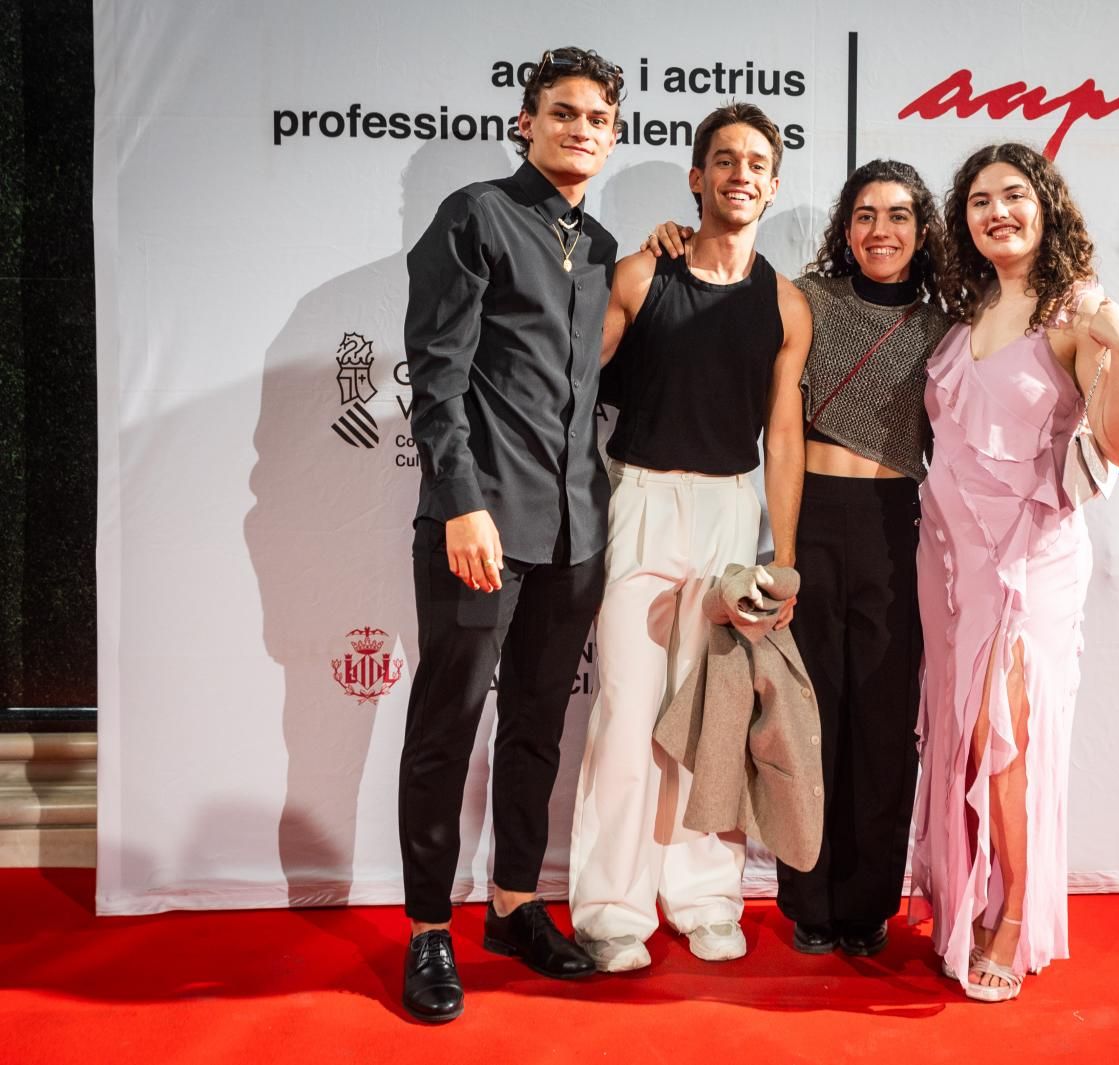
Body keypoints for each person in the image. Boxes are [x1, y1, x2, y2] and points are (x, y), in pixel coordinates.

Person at [645, 160, 949, 957]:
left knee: (883, 723)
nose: (880, 230)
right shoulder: (807, 299)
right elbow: (730, 296)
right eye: (864, 215)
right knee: (803, 719)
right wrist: (673, 241)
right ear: (845, 229)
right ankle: (808, 898)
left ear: (923, 231)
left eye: (898, 216)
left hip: (897, 527)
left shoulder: (945, 322)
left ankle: (869, 901)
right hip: (808, 515)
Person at [396, 46, 623, 1023]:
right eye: (563, 113)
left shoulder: (605, 247)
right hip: (480, 524)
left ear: (613, 136)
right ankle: (427, 932)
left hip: (578, 529)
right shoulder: (476, 217)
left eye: (597, 120)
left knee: (537, 727)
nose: (580, 130)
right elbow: (437, 374)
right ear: (523, 124)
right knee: (446, 728)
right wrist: (459, 501)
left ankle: (515, 906)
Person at [566, 102, 813, 973]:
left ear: (774, 186)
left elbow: (782, 436)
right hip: (638, 500)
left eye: (757, 162)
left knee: (714, 716)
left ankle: (707, 897)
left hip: (726, 514)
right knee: (629, 715)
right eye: (724, 159)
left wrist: (782, 553)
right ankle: (609, 908)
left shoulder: (785, 304)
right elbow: (569, 381)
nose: (741, 172)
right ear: (697, 177)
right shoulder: (639, 275)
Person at [913, 143, 1119, 1002]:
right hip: (948, 559)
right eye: (979, 200)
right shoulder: (967, 308)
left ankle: (1015, 913)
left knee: (1006, 740)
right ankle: (969, 891)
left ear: (1046, 205)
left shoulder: (1076, 310)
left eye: (1014, 195)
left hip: (1029, 559)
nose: (997, 212)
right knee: (965, 734)